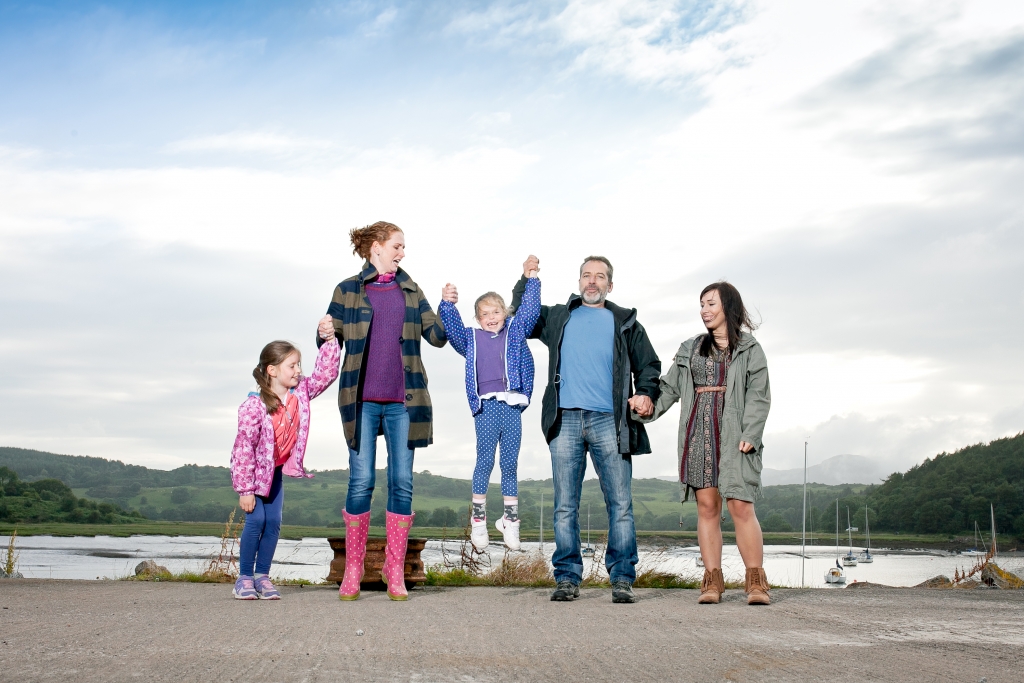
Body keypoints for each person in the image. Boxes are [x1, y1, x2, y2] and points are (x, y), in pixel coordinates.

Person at [509, 255, 660, 604]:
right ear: (579, 282)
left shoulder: (626, 322)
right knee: (565, 505)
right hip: (565, 419)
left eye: (600, 276)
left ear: (610, 285)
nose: (592, 281)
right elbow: (521, 314)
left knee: (620, 504)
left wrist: (646, 393)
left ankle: (622, 579)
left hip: (611, 421)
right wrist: (527, 278)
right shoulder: (557, 316)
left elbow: (649, 365)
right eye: (587, 275)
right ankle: (567, 577)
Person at [324, 221, 447, 601]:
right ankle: (354, 568)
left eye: (403, 247)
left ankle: (394, 569)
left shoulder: (411, 291)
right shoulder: (347, 290)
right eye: (397, 246)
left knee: (402, 482)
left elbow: (438, 337)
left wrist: (447, 307)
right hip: (360, 401)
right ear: (376, 246)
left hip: (402, 403)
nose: (402, 253)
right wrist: (324, 330)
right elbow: (329, 337)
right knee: (361, 481)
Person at [633, 281, 771, 605]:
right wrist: (646, 406)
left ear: (728, 307)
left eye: (711, 304)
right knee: (707, 508)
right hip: (698, 435)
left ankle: (756, 583)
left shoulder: (750, 349)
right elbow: (669, 388)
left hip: (735, 437)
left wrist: (751, 433)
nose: (704, 310)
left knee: (740, 506)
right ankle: (712, 582)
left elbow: (759, 395)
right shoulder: (690, 348)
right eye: (702, 305)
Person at [230, 320, 340, 599]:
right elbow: (243, 448)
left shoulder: (300, 392)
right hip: (254, 475)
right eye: (292, 366)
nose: (298, 370)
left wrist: (329, 341)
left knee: (274, 523)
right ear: (272, 370)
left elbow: (325, 374)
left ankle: (262, 577)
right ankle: (244, 578)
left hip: (275, 472)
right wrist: (245, 490)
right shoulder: (254, 406)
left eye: (299, 365)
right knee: (256, 521)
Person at [438, 258, 541, 551]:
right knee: (485, 461)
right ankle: (479, 521)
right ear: (477, 318)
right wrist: (447, 304)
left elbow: (530, 309)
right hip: (486, 407)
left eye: (496, 311)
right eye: (484, 314)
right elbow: (452, 329)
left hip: (512, 405)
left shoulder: (515, 332)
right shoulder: (471, 339)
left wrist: (532, 278)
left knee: (510, 464)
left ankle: (510, 521)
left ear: (505, 313)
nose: (491, 317)